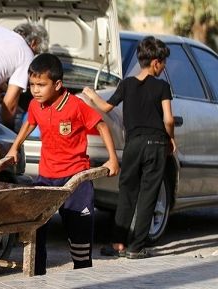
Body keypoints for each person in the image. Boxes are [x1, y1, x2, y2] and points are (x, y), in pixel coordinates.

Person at [6, 53, 119, 274]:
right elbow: (29, 123)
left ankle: (83, 273)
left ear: (58, 84)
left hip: (76, 178)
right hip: (47, 177)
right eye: (32, 84)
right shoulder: (35, 105)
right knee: (37, 230)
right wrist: (14, 146)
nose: (35, 90)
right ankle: (37, 275)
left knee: (79, 233)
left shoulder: (75, 106)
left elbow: (102, 126)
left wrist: (113, 159)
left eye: (41, 85)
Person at [82, 36, 176, 259]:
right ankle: (136, 247)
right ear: (155, 62)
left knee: (127, 193)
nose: (164, 68)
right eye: (163, 63)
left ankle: (117, 244)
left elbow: (105, 106)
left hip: (133, 145)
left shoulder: (126, 84)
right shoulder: (162, 87)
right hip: (155, 144)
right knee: (148, 195)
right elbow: (169, 120)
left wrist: (91, 95)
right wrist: (171, 138)